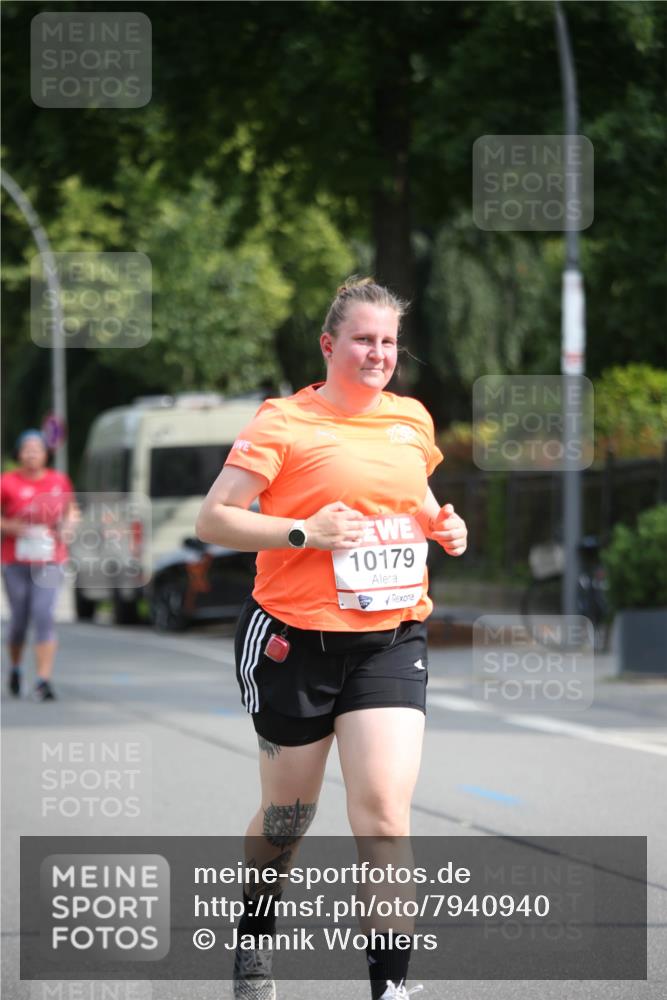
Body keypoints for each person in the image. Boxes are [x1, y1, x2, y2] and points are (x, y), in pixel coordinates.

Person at [196, 278, 467, 1000]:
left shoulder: (411, 419)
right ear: (329, 345)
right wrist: (303, 532)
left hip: (388, 637)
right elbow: (215, 519)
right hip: (292, 639)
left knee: (382, 811)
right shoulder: (283, 421)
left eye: (387, 342)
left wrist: (443, 522)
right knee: (289, 818)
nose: (378, 353)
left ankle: (392, 989)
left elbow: (416, 497)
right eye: (363, 339)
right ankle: (254, 939)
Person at [1, 430, 77, 701]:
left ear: (46, 453)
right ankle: (16, 668)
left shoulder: (58, 480)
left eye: (37, 449)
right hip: (16, 560)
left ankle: (43, 680)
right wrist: (10, 526)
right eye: (27, 449)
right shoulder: (7, 482)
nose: (32, 453)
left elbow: (71, 510)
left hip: (50, 559)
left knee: (43, 615)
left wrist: (68, 526)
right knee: (19, 622)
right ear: (19, 453)